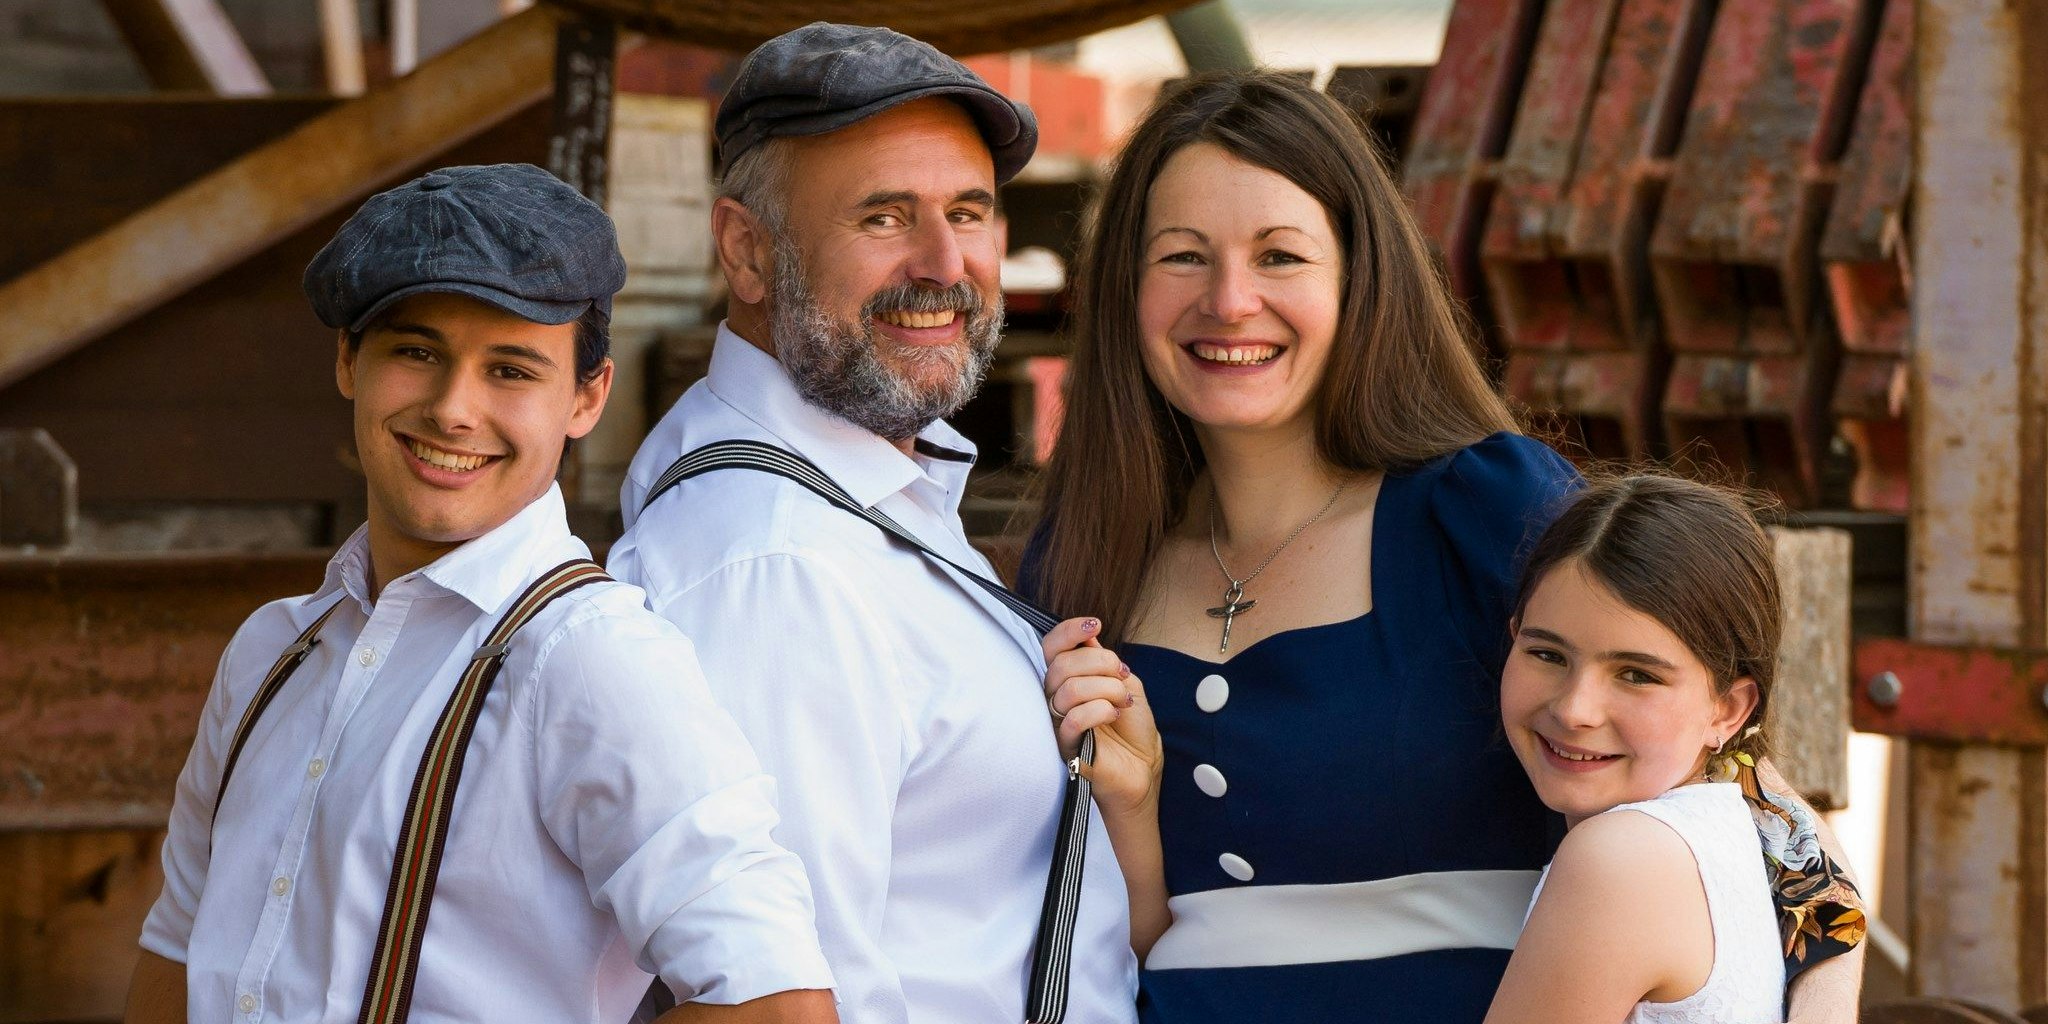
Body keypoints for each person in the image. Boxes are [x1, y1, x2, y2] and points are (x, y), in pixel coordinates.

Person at [1023, 72, 1864, 1023]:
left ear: (1359, 277)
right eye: (1181, 257)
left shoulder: (1482, 508)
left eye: (1281, 256)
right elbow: (1097, 933)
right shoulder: (1088, 556)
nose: (1230, 300)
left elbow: (1786, 845)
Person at [124, 164, 837, 1024]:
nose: (454, 410)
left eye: (511, 370)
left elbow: (777, 1003)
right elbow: (180, 947)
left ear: (587, 397)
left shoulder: (590, 659)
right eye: (416, 352)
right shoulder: (273, 650)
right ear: (349, 359)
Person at [609, 23, 1137, 1024]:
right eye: (884, 216)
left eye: (970, 211)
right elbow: (797, 998)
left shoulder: (855, 481)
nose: (947, 263)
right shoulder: (774, 566)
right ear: (747, 250)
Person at [1485, 475, 1864, 1024]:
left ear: (1728, 710)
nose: (1575, 709)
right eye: (1547, 655)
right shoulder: (1743, 828)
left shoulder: (1619, 860)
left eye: (1636, 675)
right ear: (1513, 633)